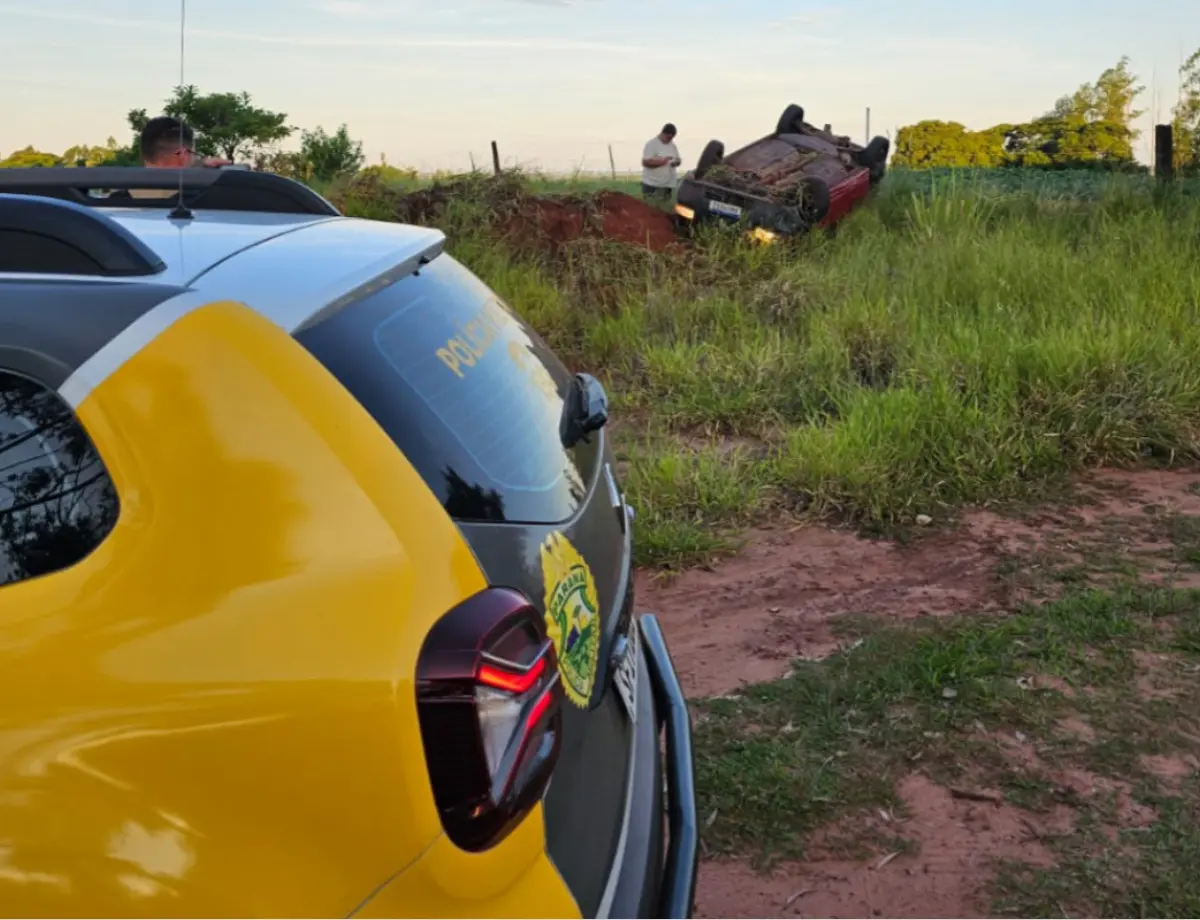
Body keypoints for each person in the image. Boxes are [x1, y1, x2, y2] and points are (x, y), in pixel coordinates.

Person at [140, 116, 231, 168]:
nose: (196, 159)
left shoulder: (132, 188)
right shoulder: (200, 192)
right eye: (194, 154)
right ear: (182, 155)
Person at [641, 123, 681, 202]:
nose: (670, 140)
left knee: (664, 207)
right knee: (650, 206)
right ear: (663, 133)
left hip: (667, 185)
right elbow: (645, 162)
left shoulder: (672, 145)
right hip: (652, 184)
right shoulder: (651, 144)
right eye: (668, 137)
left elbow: (678, 159)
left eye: (672, 138)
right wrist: (662, 162)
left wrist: (676, 162)